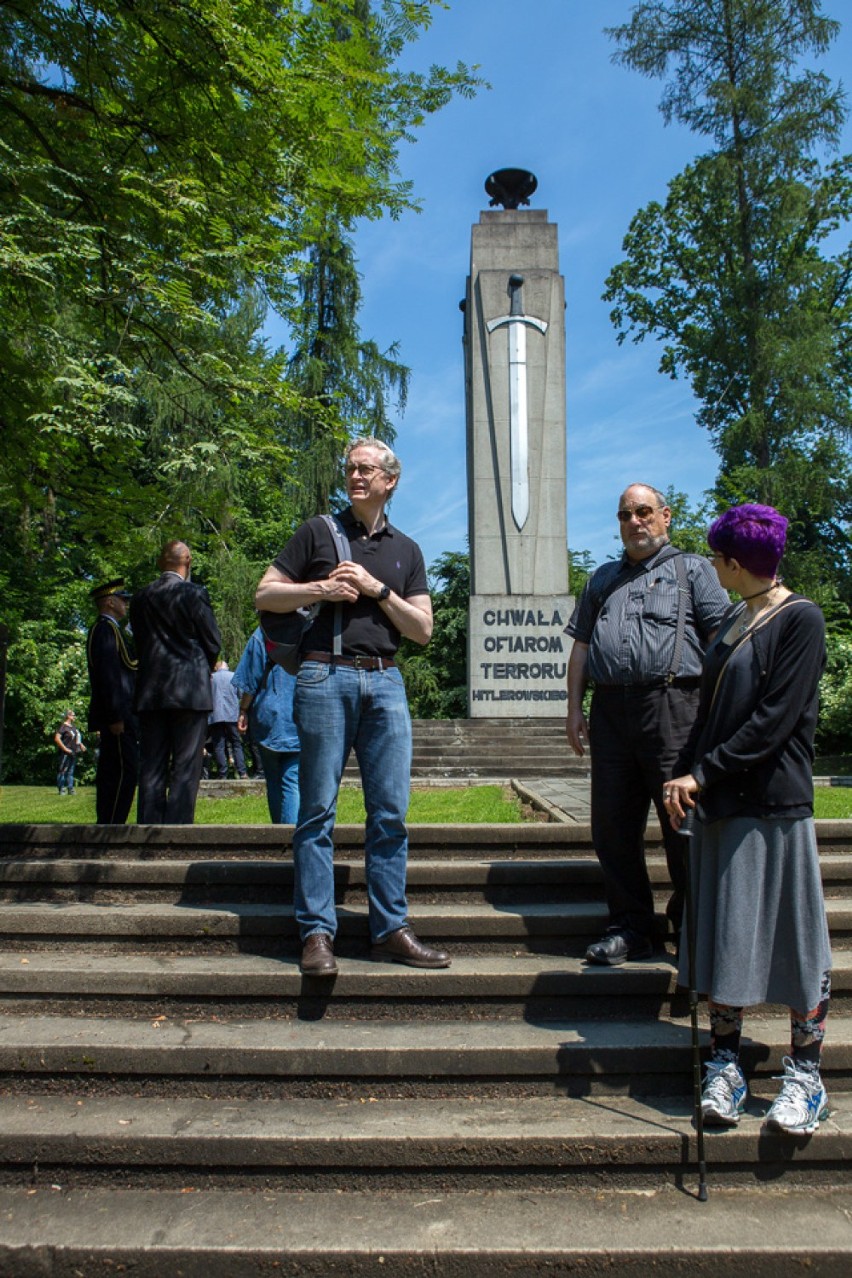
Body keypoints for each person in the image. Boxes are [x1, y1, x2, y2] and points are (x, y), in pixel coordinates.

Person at [664, 504, 831, 1135]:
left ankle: (805, 1077)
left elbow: (774, 720)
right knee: (727, 939)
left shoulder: (800, 619)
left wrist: (704, 773)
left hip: (772, 804)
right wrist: (683, 770)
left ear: (735, 564)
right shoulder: (737, 618)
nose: (712, 566)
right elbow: (709, 713)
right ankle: (726, 1068)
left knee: (796, 941)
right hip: (722, 806)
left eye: (716, 558)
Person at [255, 436, 450, 976]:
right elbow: (265, 594)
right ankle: (317, 932)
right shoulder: (319, 531)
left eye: (366, 469)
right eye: (350, 469)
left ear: (391, 480)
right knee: (315, 810)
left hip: (386, 684)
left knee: (389, 814)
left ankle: (390, 929)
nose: (355, 476)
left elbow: (424, 630)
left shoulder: (406, 550)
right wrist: (318, 587)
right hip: (323, 675)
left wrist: (376, 589)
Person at [566, 483, 730, 965]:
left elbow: (721, 642)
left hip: (675, 706)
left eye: (643, 512)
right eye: (624, 515)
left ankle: (693, 924)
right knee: (612, 827)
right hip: (611, 712)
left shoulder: (694, 570)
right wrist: (574, 708)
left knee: (682, 823)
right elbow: (580, 647)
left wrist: (720, 710)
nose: (634, 522)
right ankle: (630, 926)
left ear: (665, 515)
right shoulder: (602, 579)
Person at [130, 540, 222, 824]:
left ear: (161, 563)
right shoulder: (194, 594)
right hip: (190, 690)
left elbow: (140, 643)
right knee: (186, 764)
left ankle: (148, 827)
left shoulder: (140, 597)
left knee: (152, 765)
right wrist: (201, 667)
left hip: (151, 690)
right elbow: (213, 640)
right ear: (188, 561)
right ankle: (178, 830)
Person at [231, 627, 299, 823]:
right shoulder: (308, 628)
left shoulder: (263, 633)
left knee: (274, 780)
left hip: (268, 715)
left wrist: (243, 709)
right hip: (300, 713)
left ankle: (279, 835)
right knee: (292, 779)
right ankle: (289, 839)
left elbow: (250, 680)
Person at [86, 578, 138, 823]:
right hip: (118, 716)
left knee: (120, 769)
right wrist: (115, 716)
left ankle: (112, 822)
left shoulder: (112, 629)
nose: (125, 603)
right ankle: (111, 824)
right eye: (121, 598)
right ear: (109, 601)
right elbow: (108, 677)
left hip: (123, 714)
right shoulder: (105, 630)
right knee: (120, 771)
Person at [209, 660, 248, 779]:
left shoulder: (210, 678)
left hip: (216, 716)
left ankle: (223, 774)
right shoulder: (234, 676)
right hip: (232, 714)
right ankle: (242, 772)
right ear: (226, 667)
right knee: (236, 743)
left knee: (219, 745)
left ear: (216, 668)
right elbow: (241, 695)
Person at [54, 709, 85, 795]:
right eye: (73, 715)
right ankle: (61, 788)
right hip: (65, 753)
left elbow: (76, 738)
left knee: (71, 771)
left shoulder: (73, 727)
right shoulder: (63, 727)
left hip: (73, 752)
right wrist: (64, 748)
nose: (75, 717)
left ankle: (70, 788)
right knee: (63, 770)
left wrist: (81, 745)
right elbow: (57, 738)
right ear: (68, 716)